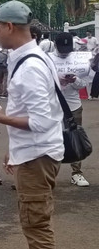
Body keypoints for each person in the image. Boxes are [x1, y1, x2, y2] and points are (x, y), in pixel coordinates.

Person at [0, 0, 63, 249]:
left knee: (36, 222)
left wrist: (0, 117)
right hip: (35, 153)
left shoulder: (29, 66)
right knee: (33, 220)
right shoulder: (33, 57)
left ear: (9, 27)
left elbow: (40, 121)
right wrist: (15, 151)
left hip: (38, 154)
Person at [49, 33, 89, 187]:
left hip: (73, 105)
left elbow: (83, 84)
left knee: (75, 138)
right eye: (62, 49)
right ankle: (50, 173)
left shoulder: (78, 59)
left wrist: (74, 80)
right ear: (55, 45)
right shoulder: (47, 59)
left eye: (67, 49)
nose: (65, 52)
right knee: (51, 138)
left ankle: (77, 173)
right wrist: (57, 80)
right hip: (53, 105)